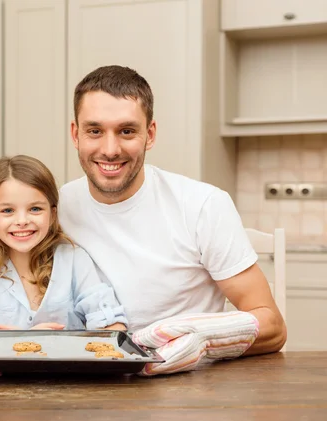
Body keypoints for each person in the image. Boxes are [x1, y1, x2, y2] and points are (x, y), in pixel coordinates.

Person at [58, 65, 287, 374]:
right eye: (95, 131)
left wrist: (199, 339)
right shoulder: (54, 209)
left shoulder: (202, 205)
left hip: (188, 390)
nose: (110, 150)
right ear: (76, 134)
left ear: (149, 134)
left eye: (126, 131)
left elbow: (272, 325)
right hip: (86, 388)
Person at [0, 155, 128, 332]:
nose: (22, 220)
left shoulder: (73, 259)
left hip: (66, 376)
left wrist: (55, 343)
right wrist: (13, 344)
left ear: (53, 214)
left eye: (35, 209)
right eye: (7, 211)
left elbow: (114, 327)